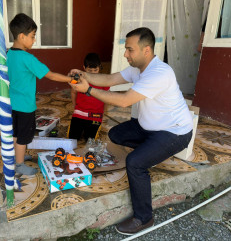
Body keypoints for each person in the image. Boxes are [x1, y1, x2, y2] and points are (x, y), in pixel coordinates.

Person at [69, 27, 193, 235]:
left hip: (174, 132)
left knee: (134, 163)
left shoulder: (159, 73)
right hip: (149, 127)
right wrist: (83, 75)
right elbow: (109, 80)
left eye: (129, 50)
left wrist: (88, 90)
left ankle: (144, 218)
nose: (125, 54)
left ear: (146, 50)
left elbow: (125, 100)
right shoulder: (138, 68)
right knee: (116, 134)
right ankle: (151, 152)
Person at [7, 13, 72, 175]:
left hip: (11, 104)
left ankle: (17, 158)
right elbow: (50, 74)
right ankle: (20, 165)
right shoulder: (27, 58)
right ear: (22, 36)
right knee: (23, 136)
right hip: (25, 106)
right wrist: (69, 79)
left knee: (15, 133)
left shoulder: (8, 54)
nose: (34, 40)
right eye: (33, 36)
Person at [68, 53, 109, 141]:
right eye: (90, 70)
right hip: (79, 113)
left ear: (99, 67)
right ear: (84, 67)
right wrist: (75, 106)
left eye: (95, 70)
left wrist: (103, 112)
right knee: (72, 139)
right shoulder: (77, 78)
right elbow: (73, 92)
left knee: (90, 140)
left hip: (95, 115)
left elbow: (106, 98)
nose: (93, 72)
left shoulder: (104, 80)